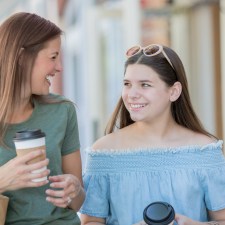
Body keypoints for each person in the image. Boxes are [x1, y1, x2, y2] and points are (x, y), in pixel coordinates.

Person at [79, 44, 225, 225]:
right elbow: (90, 221)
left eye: (145, 85)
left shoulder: (205, 151)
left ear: (174, 91)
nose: (131, 94)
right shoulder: (103, 152)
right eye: (127, 84)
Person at [0, 12, 85, 225]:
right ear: (21, 58)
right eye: (53, 57)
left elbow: (78, 202)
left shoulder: (62, 111)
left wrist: (73, 189)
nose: (59, 68)